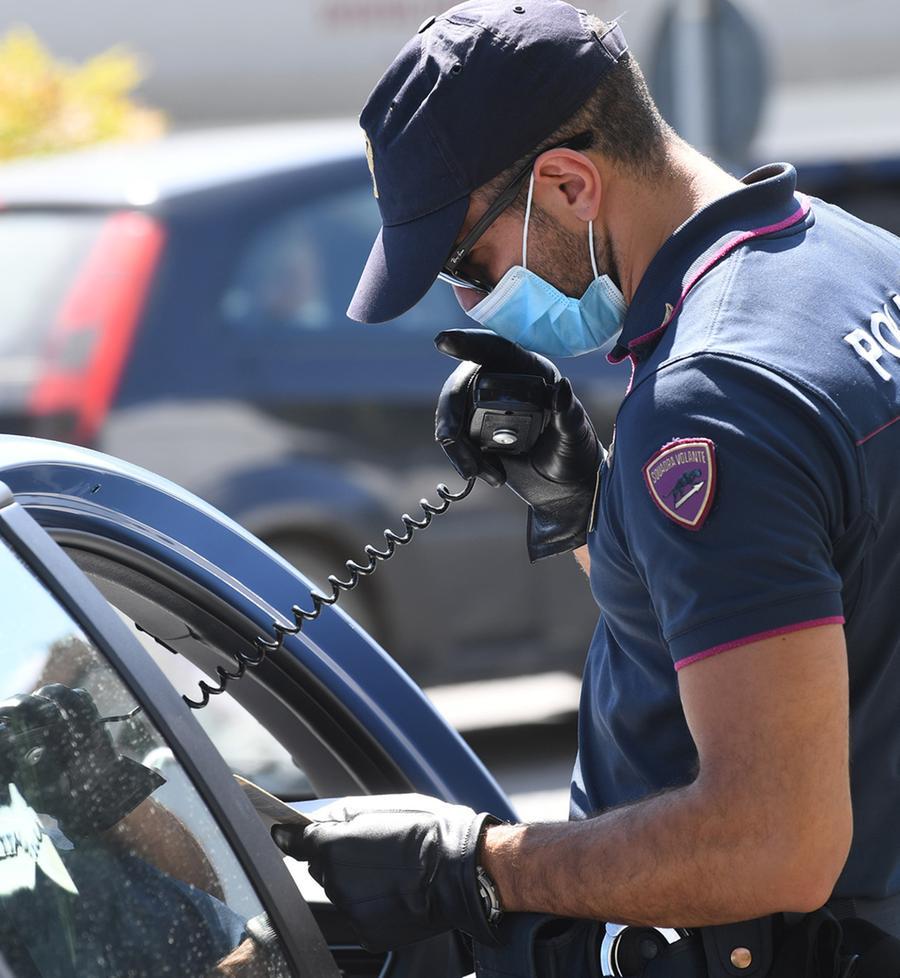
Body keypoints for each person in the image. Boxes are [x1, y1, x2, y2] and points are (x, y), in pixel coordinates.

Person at [274, 0, 900, 974]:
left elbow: (772, 842)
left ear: (568, 184)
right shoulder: (852, 258)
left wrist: (474, 863)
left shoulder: (715, 398)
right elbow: (816, 608)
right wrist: (584, 508)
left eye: (461, 260)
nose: (471, 301)